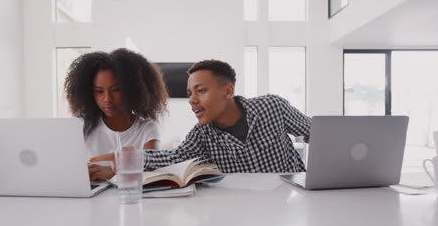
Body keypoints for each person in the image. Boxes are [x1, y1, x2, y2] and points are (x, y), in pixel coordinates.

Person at [92, 59, 311, 173]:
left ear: (227, 91)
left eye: (201, 91)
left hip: (291, 202)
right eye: (189, 94)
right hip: (242, 210)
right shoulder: (201, 135)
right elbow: (173, 157)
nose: (192, 100)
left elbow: (315, 132)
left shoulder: (272, 107)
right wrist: (130, 157)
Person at [64, 48, 169, 180]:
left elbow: (154, 167)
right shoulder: (81, 126)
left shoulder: (146, 128)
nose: (107, 99)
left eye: (116, 90)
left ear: (132, 90)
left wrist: (114, 172)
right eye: (99, 91)